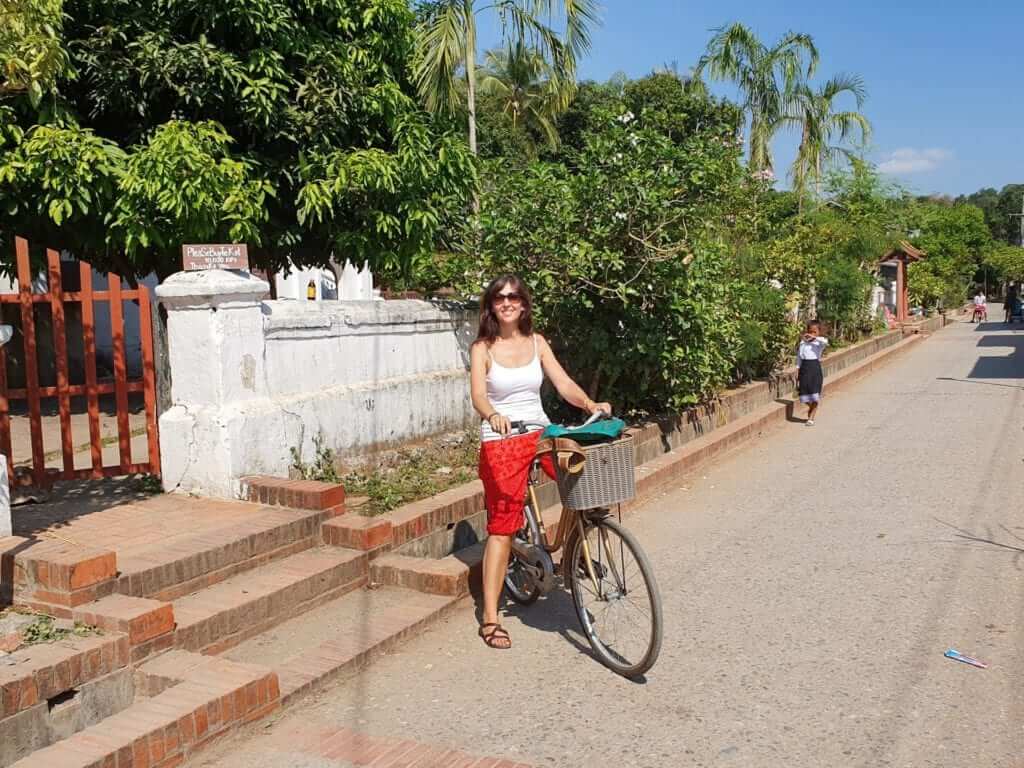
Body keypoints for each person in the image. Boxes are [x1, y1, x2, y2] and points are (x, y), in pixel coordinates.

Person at [469, 275, 610, 650]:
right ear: (491, 306)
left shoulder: (537, 342)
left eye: (514, 296)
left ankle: (575, 550)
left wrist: (589, 404)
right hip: (501, 438)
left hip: (538, 431)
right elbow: (478, 395)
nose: (507, 302)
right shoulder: (482, 348)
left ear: (524, 303)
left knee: (582, 477)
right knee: (503, 526)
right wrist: (492, 415)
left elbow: (563, 384)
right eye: (499, 297)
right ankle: (491, 617)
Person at [796, 321, 828, 426]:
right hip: (804, 369)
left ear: (819, 332)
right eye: (810, 331)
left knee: (815, 395)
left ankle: (811, 418)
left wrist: (814, 337)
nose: (812, 334)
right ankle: (811, 408)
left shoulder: (819, 344)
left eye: (815, 332)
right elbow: (799, 358)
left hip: (815, 369)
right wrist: (797, 370)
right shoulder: (803, 343)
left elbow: (825, 342)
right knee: (803, 394)